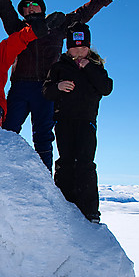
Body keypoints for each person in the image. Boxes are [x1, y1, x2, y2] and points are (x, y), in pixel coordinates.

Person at [0, 0, 126, 170]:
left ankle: (44, 181)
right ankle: (2, 172)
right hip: (20, 86)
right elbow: (3, 3)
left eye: (34, 4)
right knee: (8, 129)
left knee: (43, 137)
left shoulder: (58, 26)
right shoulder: (17, 27)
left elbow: (85, 12)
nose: (30, 8)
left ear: (42, 7)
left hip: (47, 89)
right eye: (26, 6)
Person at [42, 22, 112, 223]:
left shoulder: (96, 67)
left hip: (87, 122)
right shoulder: (59, 67)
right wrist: (58, 86)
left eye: (83, 47)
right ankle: (65, 204)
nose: (79, 51)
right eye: (74, 47)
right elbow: (46, 92)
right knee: (65, 162)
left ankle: (90, 210)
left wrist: (89, 68)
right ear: (68, 47)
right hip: (64, 121)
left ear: (88, 47)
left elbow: (106, 88)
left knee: (85, 163)